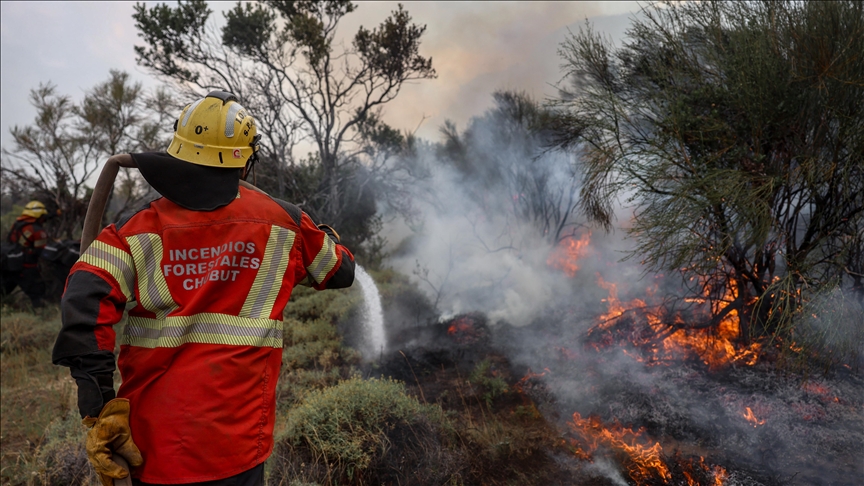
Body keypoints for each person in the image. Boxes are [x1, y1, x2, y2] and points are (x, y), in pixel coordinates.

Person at [52, 91, 355, 485]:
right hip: (238, 446)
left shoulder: (135, 230)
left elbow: (83, 300)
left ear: (179, 149)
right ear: (244, 160)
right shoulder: (285, 222)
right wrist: (318, 232)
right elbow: (341, 272)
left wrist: (99, 407)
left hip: (152, 447)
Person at [3, 200, 49, 307]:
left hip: (10, 264)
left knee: (4, 290)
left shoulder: (17, 224)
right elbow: (41, 252)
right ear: (39, 216)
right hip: (27, 267)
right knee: (38, 292)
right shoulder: (38, 231)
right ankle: (40, 310)